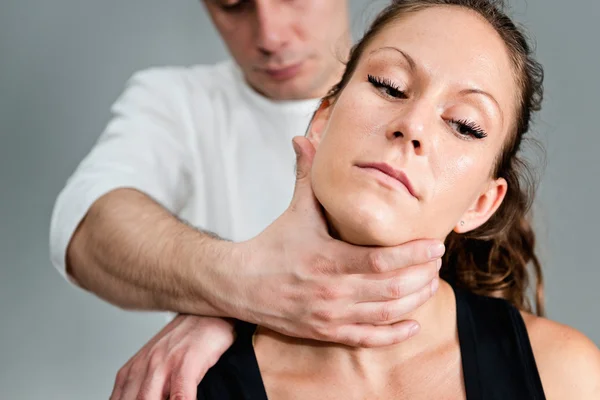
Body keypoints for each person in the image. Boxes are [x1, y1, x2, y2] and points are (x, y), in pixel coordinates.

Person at [194, 0, 600, 398]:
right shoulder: (186, 379)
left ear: (480, 203)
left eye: (464, 125)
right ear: (321, 122)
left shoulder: (565, 376)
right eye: (390, 86)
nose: (412, 124)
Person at [49, 1, 445, 399]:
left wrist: (236, 312)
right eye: (232, 5)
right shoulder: (176, 101)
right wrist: (240, 291)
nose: (269, 37)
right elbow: (85, 223)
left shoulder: (424, 112)